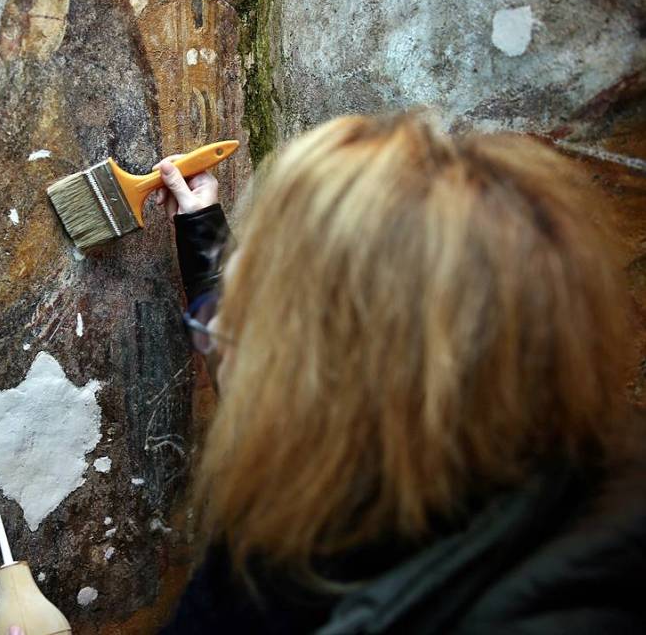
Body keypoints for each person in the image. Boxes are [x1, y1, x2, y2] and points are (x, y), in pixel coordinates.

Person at [152, 113, 646, 633]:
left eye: (251, 322)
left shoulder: (539, 614)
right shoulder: (437, 446)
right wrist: (201, 224)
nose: (214, 333)